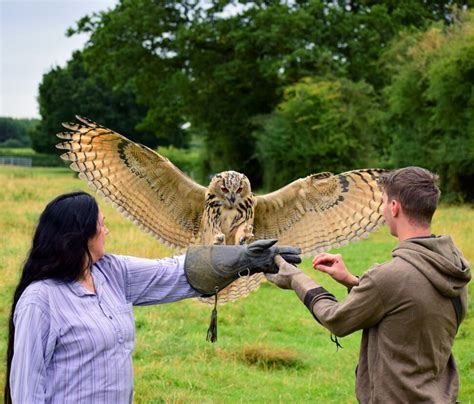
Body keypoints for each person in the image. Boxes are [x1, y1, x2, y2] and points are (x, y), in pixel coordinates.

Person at [4, 191, 301, 403]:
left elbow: (173, 272)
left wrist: (244, 259)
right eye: (101, 224)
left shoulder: (111, 272)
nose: (107, 231)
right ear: (81, 235)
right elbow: (26, 388)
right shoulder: (40, 300)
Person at [266, 166, 471, 403]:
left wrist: (295, 278)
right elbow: (409, 310)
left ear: (394, 208)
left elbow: (336, 319)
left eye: (384, 202)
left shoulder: (390, 277)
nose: (382, 211)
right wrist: (353, 281)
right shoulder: (453, 268)